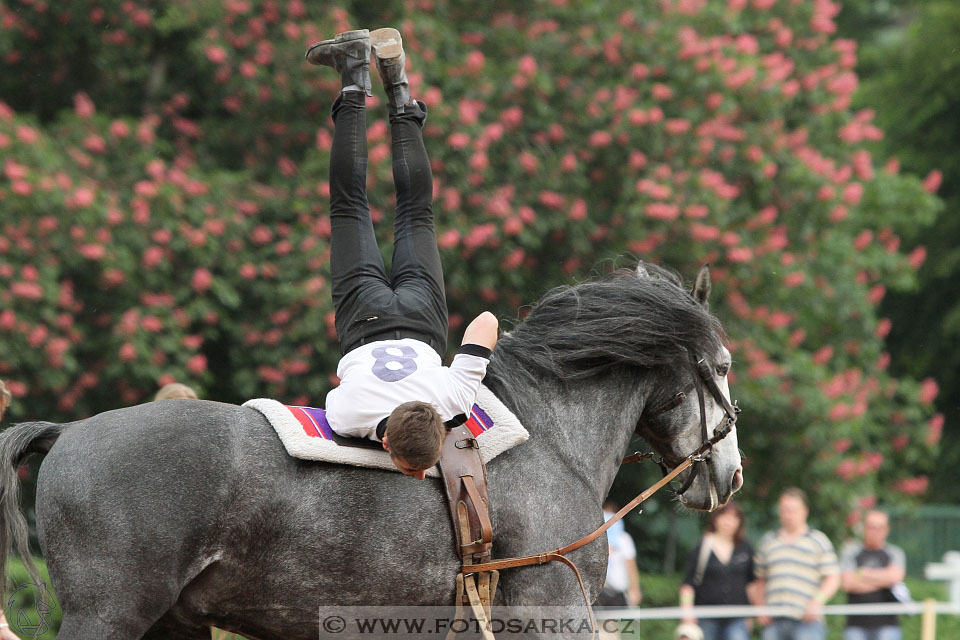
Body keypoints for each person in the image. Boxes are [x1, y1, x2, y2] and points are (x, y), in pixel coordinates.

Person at [305, 28, 498, 480]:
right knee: (348, 205)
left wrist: (470, 366)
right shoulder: (347, 417)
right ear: (387, 441)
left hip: (423, 320)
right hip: (364, 324)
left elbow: (487, 321)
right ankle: (353, 76)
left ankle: (398, 88)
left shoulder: (453, 400)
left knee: (416, 213)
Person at [752, 488, 840, 640]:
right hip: (774, 620)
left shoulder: (818, 540)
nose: (788, 515)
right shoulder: (768, 541)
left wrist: (817, 601)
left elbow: (833, 578)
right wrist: (760, 608)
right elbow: (760, 580)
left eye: (793, 510)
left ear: (805, 511)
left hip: (807, 620)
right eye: (784, 510)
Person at [679, 501, 755, 640]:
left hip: (737, 618)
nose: (728, 522)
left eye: (733, 517)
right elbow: (688, 584)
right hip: (706, 617)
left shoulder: (746, 547)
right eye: (724, 516)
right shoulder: (702, 545)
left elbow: (751, 584)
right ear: (715, 518)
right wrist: (687, 612)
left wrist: (751, 614)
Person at [840, 510, 906, 640]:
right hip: (855, 625)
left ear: (887, 529)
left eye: (879, 527)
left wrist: (862, 573)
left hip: (888, 625)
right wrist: (883, 579)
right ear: (864, 528)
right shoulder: (851, 551)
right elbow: (847, 583)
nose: (875, 532)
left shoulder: (894, 553)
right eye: (871, 527)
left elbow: (895, 578)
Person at [597, 501, 642, 608]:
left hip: (617, 591)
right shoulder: (595, 539)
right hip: (598, 592)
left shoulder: (623, 539)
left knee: (613, 623)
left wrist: (634, 588)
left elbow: (631, 565)